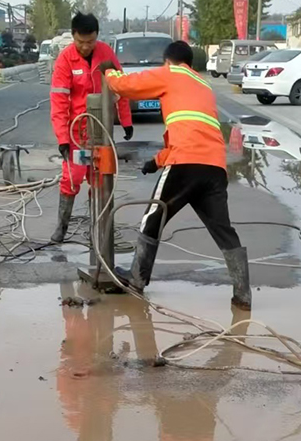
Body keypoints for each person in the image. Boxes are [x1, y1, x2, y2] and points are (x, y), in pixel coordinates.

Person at [101, 40, 251, 309]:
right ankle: (243, 295)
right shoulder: (203, 85)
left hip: (185, 163)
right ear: (191, 63)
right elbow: (190, 131)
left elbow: (127, 86)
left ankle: (136, 280)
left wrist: (109, 73)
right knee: (223, 230)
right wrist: (156, 162)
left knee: (153, 218)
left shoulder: (171, 73)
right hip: (214, 167)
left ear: (167, 61)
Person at [50, 12, 133, 243]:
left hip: (102, 130)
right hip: (77, 133)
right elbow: (58, 103)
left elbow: (120, 87)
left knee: (101, 177)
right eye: (81, 42)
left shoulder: (106, 53)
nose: (86, 47)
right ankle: (61, 227)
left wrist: (125, 120)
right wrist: (62, 139)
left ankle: (97, 228)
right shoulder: (65, 60)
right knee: (72, 177)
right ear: (73, 36)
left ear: (97, 37)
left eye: (90, 41)